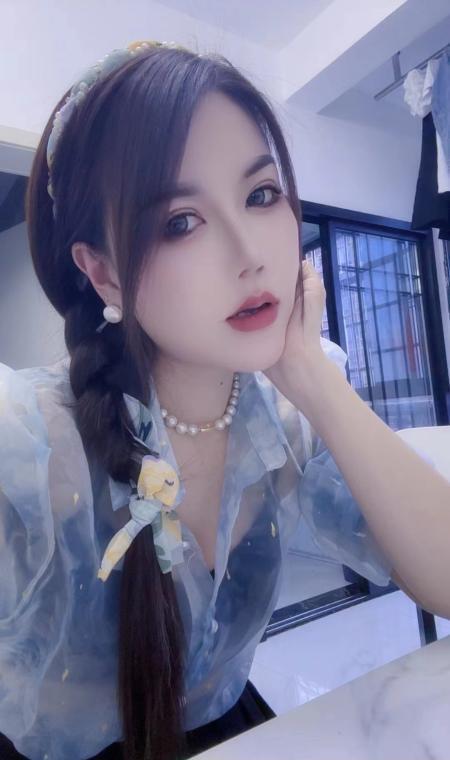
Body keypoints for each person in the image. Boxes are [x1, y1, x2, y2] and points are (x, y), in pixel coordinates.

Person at [2, 39, 448, 760]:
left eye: (261, 194)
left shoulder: (284, 415)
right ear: (104, 275)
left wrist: (311, 373)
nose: (251, 253)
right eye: (179, 222)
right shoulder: (24, 446)